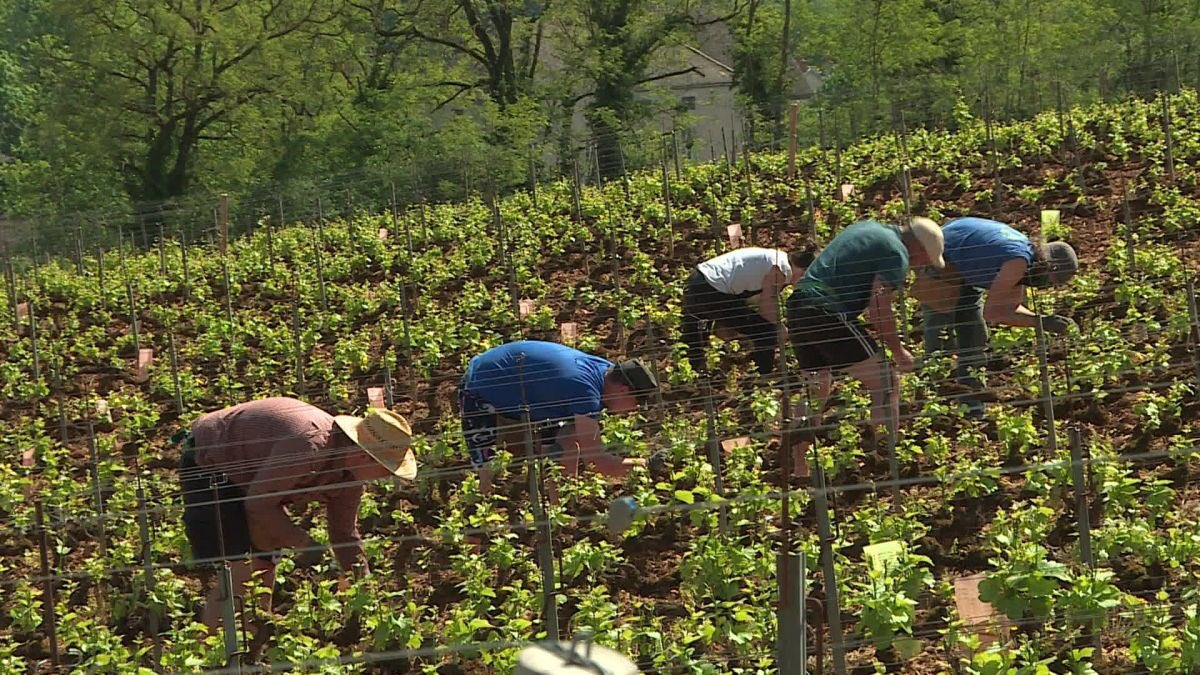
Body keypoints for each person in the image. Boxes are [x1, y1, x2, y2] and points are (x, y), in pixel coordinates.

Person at [174, 397, 416, 651]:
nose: (387, 478)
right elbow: (259, 504)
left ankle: (253, 644)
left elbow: (344, 534)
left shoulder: (350, 478)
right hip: (214, 461)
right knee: (239, 566)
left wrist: (363, 585)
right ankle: (215, 653)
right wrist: (304, 543)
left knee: (265, 560)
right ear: (362, 456)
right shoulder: (307, 445)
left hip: (256, 480)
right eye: (386, 469)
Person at [784, 217, 945, 476]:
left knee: (817, 389)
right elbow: (878, 308)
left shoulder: (869, 228)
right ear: (917, 246)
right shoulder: (897, 253)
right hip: (826, 311)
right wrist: (898, 350)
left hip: (798, 307)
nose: (922, 264)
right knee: (886, 380)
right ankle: (887, 458)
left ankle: (798, 467)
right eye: (926, 258)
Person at [914, 216, 1078, 416]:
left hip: (964, 266)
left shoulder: (1025, 260)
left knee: (974, 336)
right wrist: (1041, 322)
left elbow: (1011, 306)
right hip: (940, 261)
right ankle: (929, 404)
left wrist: (1041, 319)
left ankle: (972, 404)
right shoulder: (1018, 261)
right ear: (1049, 267)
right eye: (1053, 281)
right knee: (940, 339)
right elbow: (993, 313)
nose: (1049, 286)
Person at [458, 340, 662, 494]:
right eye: (637, 402)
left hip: (537, 395)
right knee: (487, 474)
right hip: (481, 389)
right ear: (624, 390)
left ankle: (560, 512)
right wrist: (649, 464)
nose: (634, 410)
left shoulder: (604, 373)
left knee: (564, 446)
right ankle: (477, 538)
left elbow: (572, 440)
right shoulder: (585, 391)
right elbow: (597, 462)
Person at [681, 246, 815, 377]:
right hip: (711, 289)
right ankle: (763, 375)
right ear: (803, 271)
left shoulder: (776, 258)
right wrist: (780, 328)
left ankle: (691, 373)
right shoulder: (780, 269)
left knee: (696, 332)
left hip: (700, 281)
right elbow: (766, 306)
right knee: (767, 331)